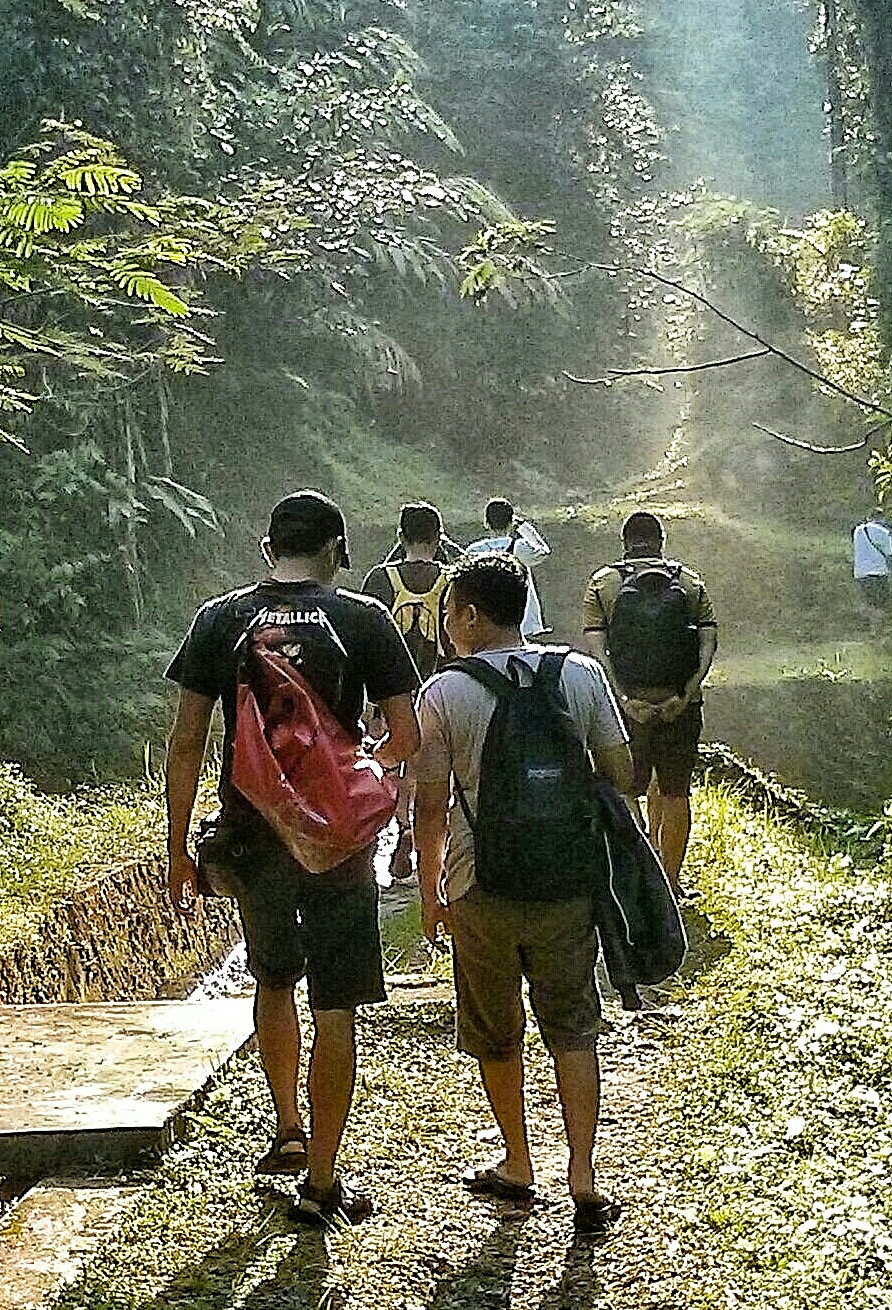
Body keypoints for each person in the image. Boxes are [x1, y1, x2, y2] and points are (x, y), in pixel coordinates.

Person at [164, 489, 421, 1229]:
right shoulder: (362, 619)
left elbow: (186, 741)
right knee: (335, 1001)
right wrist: (356, 768)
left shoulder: (222, 618)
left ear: (266, 548)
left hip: (252, 835)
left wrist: (180, 848)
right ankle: (322, 1179)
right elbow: (404, 733)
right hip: (338, 844)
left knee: (273, 976)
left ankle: (286, 1127)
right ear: (338, 550)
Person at [414, 551, 632, 1236]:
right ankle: (584, 1174)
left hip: (480, 885)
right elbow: (621, 772)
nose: (448, 627)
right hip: (567, 883)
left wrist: (429, 892)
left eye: (449, 613)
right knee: (573, 1028)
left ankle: (518, 1162)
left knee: (495, 1030)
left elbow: (428, 805)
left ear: (471, 616)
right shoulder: (581, 674)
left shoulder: (443, 694)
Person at [582, 510, 718, 899]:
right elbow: (708, 646)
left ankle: (638, 878)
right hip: (680, 706)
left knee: (626, 790)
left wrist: (623, 700)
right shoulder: (690, 583)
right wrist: (685, 695)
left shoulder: (604, 583)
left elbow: (596, 650)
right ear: (661, 541)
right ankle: (671, 883)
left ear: (625, 542)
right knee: (675, 792)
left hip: (627, 711)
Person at [362, 503, 452, 880]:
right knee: (427, 770)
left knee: (390, 765)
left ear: (400, 537)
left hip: (388, 694)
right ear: (438, 538)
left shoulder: (381, 579)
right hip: (439, 690)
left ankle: (397, 825)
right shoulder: (452, 580)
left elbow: (364, 640)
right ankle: (420, 837)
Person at [461, 497, 553, 635]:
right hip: (524, 623)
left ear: (486, 523)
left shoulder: (474, 551)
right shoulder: (519, 548)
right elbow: (543, 551)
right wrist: (523, 527)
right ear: (511, 522)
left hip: (486, 623)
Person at [853, 511, 892, 623]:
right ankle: (877, 627)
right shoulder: (884, 533)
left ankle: (872, 626)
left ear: (869, 517)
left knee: (868, 601)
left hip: (860, 572)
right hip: (879, 572)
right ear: (883, 518)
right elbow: (890, 555)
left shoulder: (858, 531)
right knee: (880, 602)